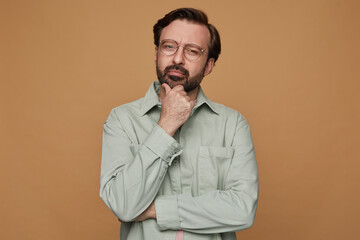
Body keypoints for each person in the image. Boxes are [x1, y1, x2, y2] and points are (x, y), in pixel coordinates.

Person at [100, 8, 258, 240]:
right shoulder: (121, 120)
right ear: (156, 53)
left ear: (208, 65)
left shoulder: (233, 125)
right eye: (169, 46)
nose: (177, 58)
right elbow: (123, 205)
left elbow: (243, 209)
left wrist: (156, 210)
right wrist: (166, 124)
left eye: (192, 51)